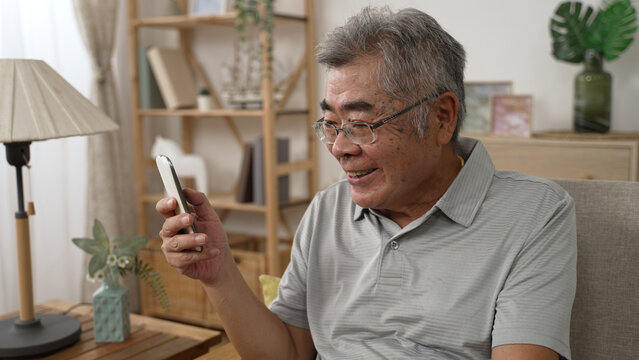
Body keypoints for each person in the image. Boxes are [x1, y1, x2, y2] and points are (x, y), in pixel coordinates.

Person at [156, 6, 576, 360]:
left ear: (441, 118)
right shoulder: (327, 209)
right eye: (331, 124)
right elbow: (287, 351)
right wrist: (218, 272)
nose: (339, 147)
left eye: (359, 125)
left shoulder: (536, 214)